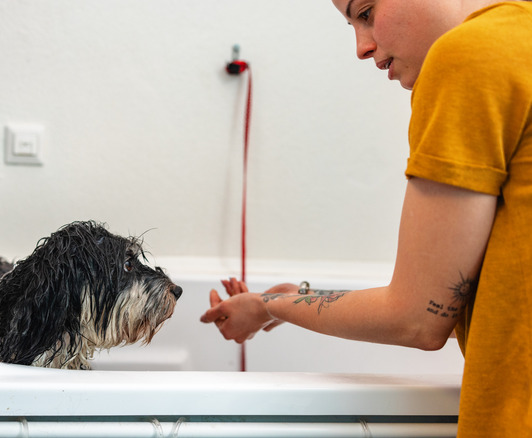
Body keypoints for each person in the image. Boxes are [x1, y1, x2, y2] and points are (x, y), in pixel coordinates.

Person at [199, 1, 532, 436]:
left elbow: (418, 320)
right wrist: (294, 299)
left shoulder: (470, 54)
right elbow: (504, 307)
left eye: (367, 12)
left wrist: (268, 306)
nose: (361, 46)